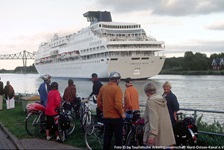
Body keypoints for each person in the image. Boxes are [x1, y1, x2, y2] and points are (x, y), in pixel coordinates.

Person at [97, 71, 126, 150]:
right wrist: (122, 113)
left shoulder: (103, 88)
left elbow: (98, 101)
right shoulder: (117, 89)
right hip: (116, 117)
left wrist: (103, 109)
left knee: (107, 137)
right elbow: (118, 105)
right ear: (117, 80)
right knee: (118, 139)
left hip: (106, 116)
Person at [143, 81, 175, 146]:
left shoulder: (151, 101)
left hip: (157, 133)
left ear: (146, 91)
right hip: (165, 131)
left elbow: (153, 118)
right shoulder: (160, 98)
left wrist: (152, 135)